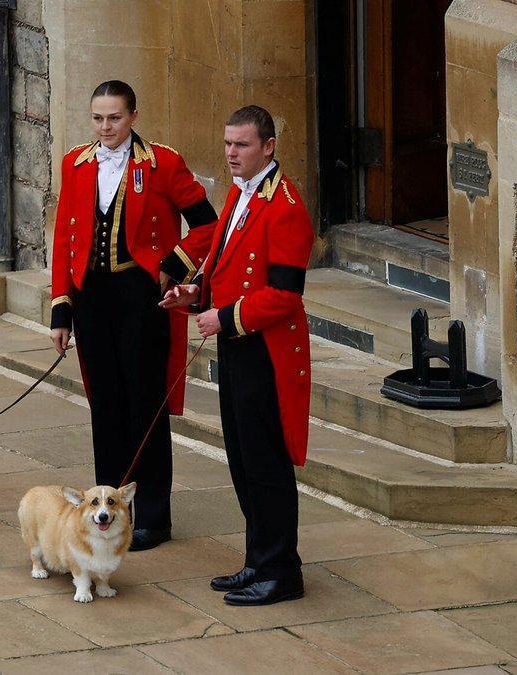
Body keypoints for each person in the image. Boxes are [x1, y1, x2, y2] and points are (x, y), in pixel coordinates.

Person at [50, 80, 218, 551]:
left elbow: (207, 224)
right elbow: (64, 237)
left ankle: (155, 518)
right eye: (98, 118)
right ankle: (107, 512)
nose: (106, 127)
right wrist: (61, 309)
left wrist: (173, 266)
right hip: (93, 300)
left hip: (142, 297)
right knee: (105, 405)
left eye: (115, 118)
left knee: (145, 407)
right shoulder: (75, 163)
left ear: (133, 117)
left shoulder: (162, 163)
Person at [159, 105, 314, 604]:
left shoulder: (285, 205)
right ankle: (258, 560)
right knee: (243, 460)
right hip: (238, 348)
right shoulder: (238, 195)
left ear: (268, 147)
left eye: (241, 145)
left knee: (266, 463)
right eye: (227, 144)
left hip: (266, 353)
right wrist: (194, 295)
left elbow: (286, 295)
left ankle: (281, 571)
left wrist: (225, 318)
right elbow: (222, 267)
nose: (231, 154)